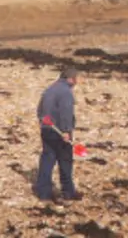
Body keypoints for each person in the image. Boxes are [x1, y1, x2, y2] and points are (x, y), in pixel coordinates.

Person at [35, 67, 82, 202]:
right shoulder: (66, 92)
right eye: (76, 79)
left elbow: (39, 111)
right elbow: (66, 112)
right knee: (65, 161)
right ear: (70, 79)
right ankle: (68, 191)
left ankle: (43, 193)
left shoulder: (49, 89)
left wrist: (43, 122)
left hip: (46, 129)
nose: (76, 82)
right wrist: (66, 131)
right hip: (60, 132)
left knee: (47, 160)